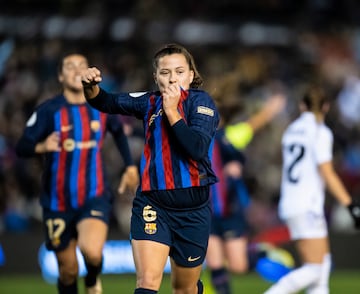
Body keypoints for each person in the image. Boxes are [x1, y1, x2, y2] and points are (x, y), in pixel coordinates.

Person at [81, 43, 220, 294]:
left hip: (193, 211)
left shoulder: (202, 102)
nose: (172, 78)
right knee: (147, 282)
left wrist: (172, 112)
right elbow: (105, 101)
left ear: (191, 74)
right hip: (152, 204)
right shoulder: (149, 101)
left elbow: (198, 148)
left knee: (185, 288)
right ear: (155, 76)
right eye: (165, 73)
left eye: (179, 71)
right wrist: (90, 86)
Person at [15, 53, 139, 294]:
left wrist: (130, 166)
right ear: (61, 76)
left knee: (92, 253)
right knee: (68, 269)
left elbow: (118, 132)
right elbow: (22, 146)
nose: (75, 70)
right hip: (57, 201)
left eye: (81, 65)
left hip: (94, 195)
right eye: (69, 67)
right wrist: (41, 146)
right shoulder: (48, 111)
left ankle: (92, 279)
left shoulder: (101, 106)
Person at [263, 85, 360, 294]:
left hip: (291, 201)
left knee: (322, 266)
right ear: (325, 107)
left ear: (301, 106)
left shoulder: (291, 130)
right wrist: (351, 205)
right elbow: (327, 172)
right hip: (307, 204)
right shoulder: (320, 131)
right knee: (315, 269)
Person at [206, 92, 286, 294]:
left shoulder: (230, 136)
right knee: (215, 263)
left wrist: (270, 110)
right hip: (205, 211)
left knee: (238, 266)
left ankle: (259, 253)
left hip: (230, 210)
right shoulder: (193, 139)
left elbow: (253, 124)